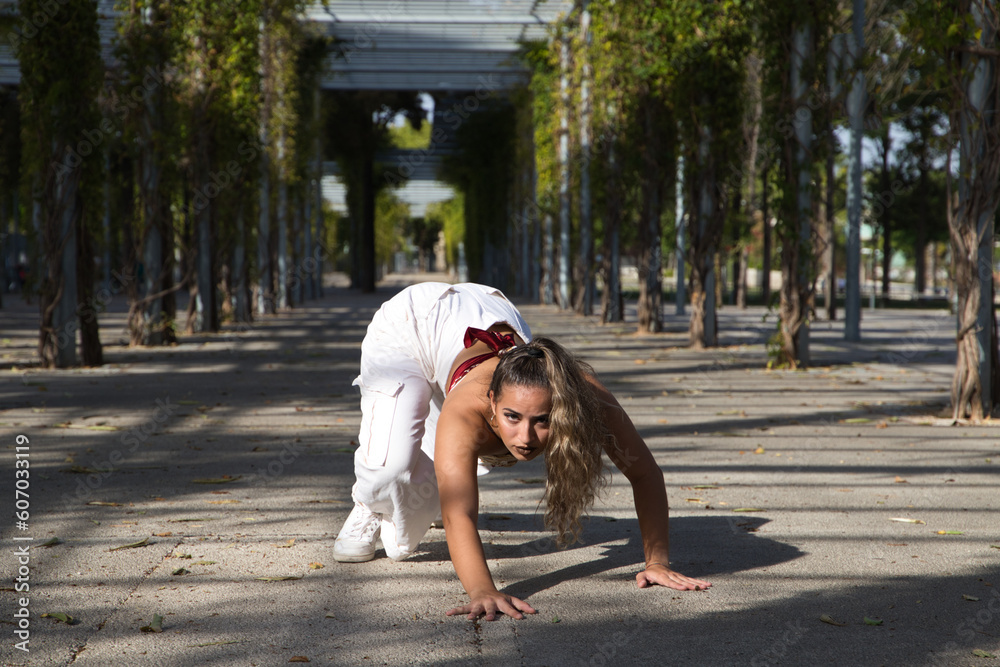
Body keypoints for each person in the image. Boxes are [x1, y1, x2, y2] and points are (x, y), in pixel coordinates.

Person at [335, 282, 711, 620]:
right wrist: (482, 590)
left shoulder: (584, 396)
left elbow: (644, 472)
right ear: (492, 402)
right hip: (410, 324)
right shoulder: (467, 409)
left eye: (543, 420)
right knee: (392, 469)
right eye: (512, 417)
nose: (526, 438)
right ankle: (367, 505)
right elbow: (460, 511)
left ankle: (423, 481)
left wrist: (657, 562)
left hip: (488, 305)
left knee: (435, 478)